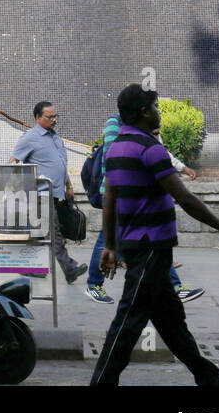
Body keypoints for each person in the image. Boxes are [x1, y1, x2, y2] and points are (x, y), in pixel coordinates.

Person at [90, 84, 219, 386]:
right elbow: (185, 198)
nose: (158, 113)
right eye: (155, 108)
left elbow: (110, 199)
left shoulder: (115, 149)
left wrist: (110, 246)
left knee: (171, 322)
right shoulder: (151, 149)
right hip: (152, 247)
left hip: (136, 245)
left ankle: (210, 380)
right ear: (144, 112)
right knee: (128, 322)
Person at [85, 113, 203, 304]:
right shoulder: (115, 125)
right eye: (151, 106)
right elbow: (113, 158)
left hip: (135, 192)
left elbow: (159, 151)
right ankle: (94, 285)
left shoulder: (143, 127)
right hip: (121, 191)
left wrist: (181, 167)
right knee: (109, 239)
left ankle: (172, 286)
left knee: (147, 240)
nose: (156, 111)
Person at [10, 101, 86, 284]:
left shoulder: (55, 136)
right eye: (49, 117)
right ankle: (70, 268)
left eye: (55, 116)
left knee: (40, 231)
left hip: (56, 192)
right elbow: (12, 161)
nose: (54, 120)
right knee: (53, 231)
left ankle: (31, 267)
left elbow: (60, 163)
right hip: (40, 193)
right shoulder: (30, 137)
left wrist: (68, 185)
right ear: (38, 118)